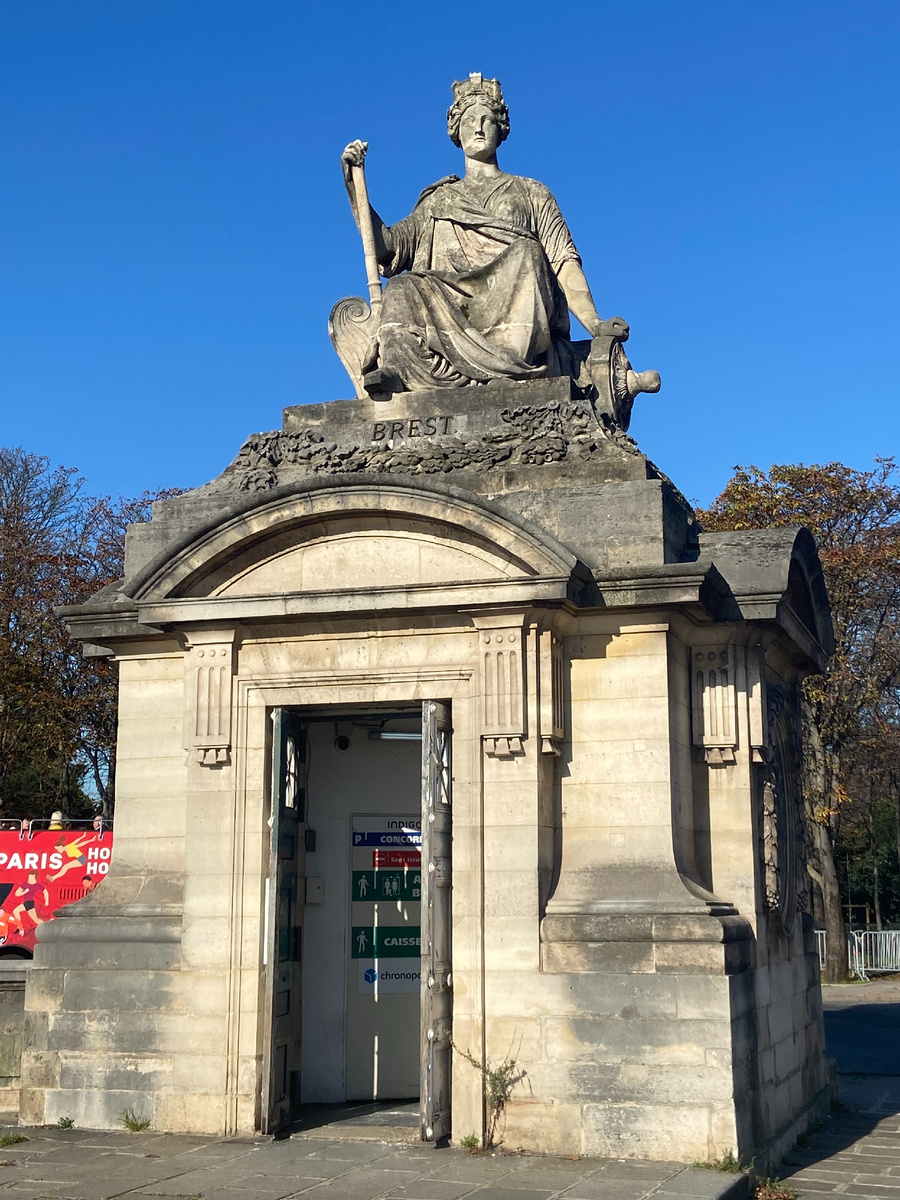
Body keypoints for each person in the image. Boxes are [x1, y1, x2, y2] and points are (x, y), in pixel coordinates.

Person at [341, 74, 624, 399]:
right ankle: (400, 367)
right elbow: (386, 248)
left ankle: (509, 365)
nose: (478, 127)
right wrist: (354, 190)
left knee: (527, 251)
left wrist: (594, 323)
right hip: (450, 303)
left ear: (500, 129)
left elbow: (562, 264)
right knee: (403, 285)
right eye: (469, 120)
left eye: (487, 119)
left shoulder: (531, 192)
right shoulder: (439, 200)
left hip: (515, 303)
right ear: (456, 132)